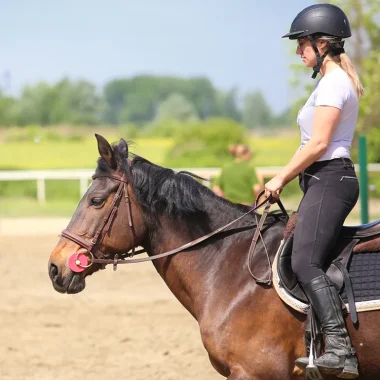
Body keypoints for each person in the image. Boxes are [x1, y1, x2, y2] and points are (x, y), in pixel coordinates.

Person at [265, 4, 363, 378]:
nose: (297, 51)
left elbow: (319, 143)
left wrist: (280, 180)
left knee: (305, 261)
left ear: (322, 43)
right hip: (321, 179)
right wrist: (283, 177)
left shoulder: (335, 82)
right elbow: (309, 142)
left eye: (301, 44)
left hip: (331, 178)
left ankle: (340, 348)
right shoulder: (329, 81)